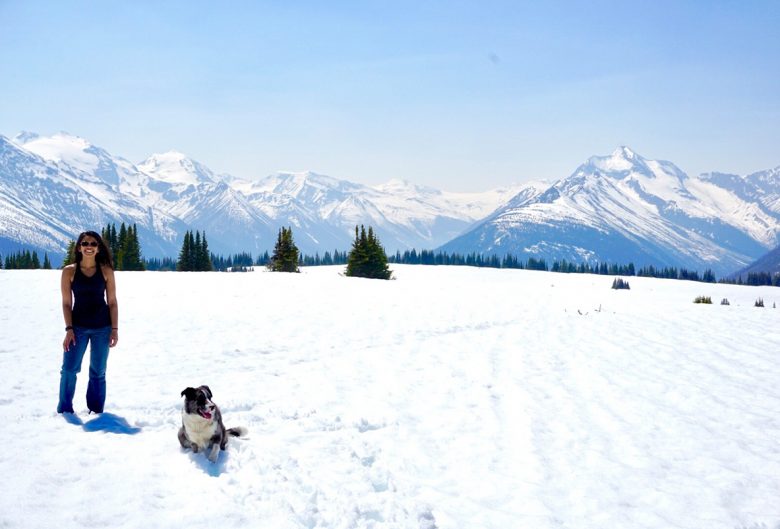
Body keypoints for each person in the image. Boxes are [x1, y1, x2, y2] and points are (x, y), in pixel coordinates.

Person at [57, 231, 119, 414]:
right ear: (79, 247)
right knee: (69, 369)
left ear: (98, 248)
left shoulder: (106, 271)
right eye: (85, 243)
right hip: (77, 328)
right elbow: (67, 303)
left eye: (93, 243)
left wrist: (114, 329)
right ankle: (65, 409)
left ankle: (96, 411)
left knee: (98, 372)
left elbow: (113, 302)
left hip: (103, 328)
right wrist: (69, 329)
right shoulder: (69, 271)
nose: (89, 246)